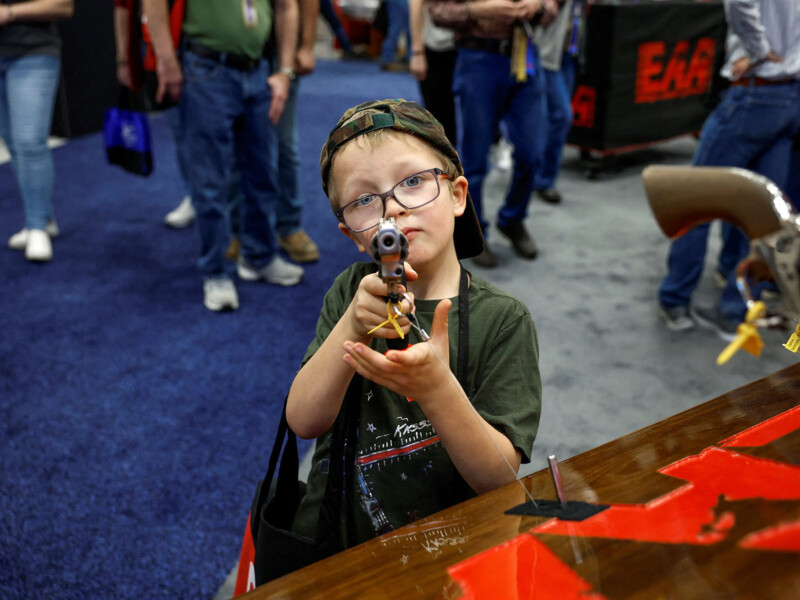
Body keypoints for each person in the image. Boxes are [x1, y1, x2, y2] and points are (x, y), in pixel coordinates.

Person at [286, 99, 541, 548]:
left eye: (414, 181)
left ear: (458, 195)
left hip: (448, 550)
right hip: (339, 545)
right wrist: (351, 326)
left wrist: (435, 388)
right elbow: (304, 420)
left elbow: (499, 479)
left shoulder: (502, 319)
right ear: (350, 232)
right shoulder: (351, 292)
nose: (393, 210)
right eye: (365, 200)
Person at [142, 0, 303, 311]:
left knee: (263, 171)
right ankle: (216, 271)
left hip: (258, 71)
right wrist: (166, 59)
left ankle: (259, 256)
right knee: (210, 180)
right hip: (206, 69)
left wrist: (284, 71)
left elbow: (287, 6)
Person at [658, 0, 800, 341]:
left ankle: (675, 298)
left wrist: (759, 50)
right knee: (761, 213)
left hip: (758, 91)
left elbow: (739, 4)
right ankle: (735, 311)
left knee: (694, 201)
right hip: (790, 95)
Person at [428, 0, 558, 268]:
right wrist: (475, 11)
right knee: (474, 159)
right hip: (478, 61)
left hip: (525, 56)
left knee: (532, 153)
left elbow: (552, 9)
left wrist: (538, 7)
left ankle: (512, 219)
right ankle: (476, 233)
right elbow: (437, 13)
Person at [2, 0, 74, 262]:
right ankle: (44, 216)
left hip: (33, 51)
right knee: (13, 142)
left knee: (30, 141)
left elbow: (64, 5)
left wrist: (9, 13)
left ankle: (36, 225)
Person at [113, 0, 194, 229]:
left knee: (214, 133)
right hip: (154, 52)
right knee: (179, 131)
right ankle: (195, 195)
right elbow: (122, 9)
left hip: (198, 49)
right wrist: (123, 58)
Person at [532, 0, 575, 205]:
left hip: (568, 53)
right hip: (544, 55)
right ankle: (542, 179)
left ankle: (541, 176)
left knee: (554, 118)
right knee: (561, 116)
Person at [409, 0, 457, 146]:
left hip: (473, 48)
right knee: (439, 113)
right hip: (436, 48)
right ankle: (444, 160)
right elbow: (416, 4)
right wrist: (418, 52)